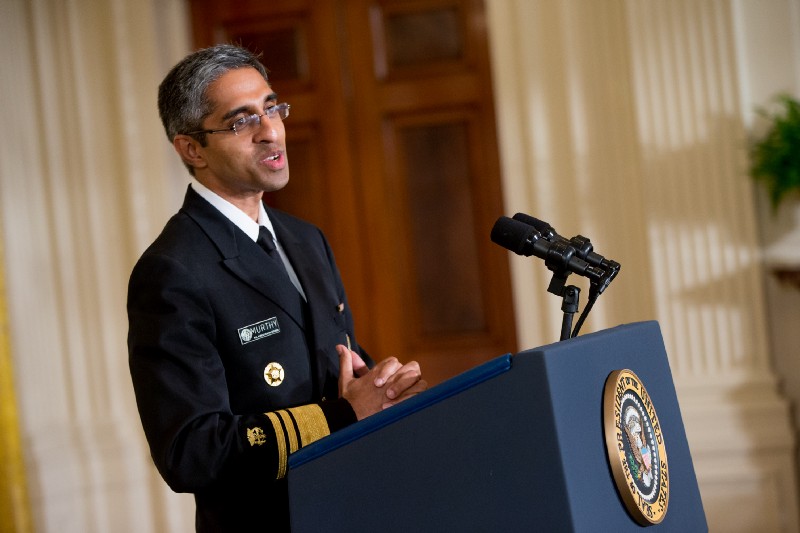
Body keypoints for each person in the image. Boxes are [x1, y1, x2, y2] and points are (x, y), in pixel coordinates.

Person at [127, 44, 427, 532]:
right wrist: (344, 414)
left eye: (272, 107)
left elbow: (336, 363)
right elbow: (190, 452)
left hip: (353, 508)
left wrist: (384, 388)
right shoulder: (172, 271)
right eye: (241, 120)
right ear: (192, 149)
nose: (271, 131)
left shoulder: (305, 238)